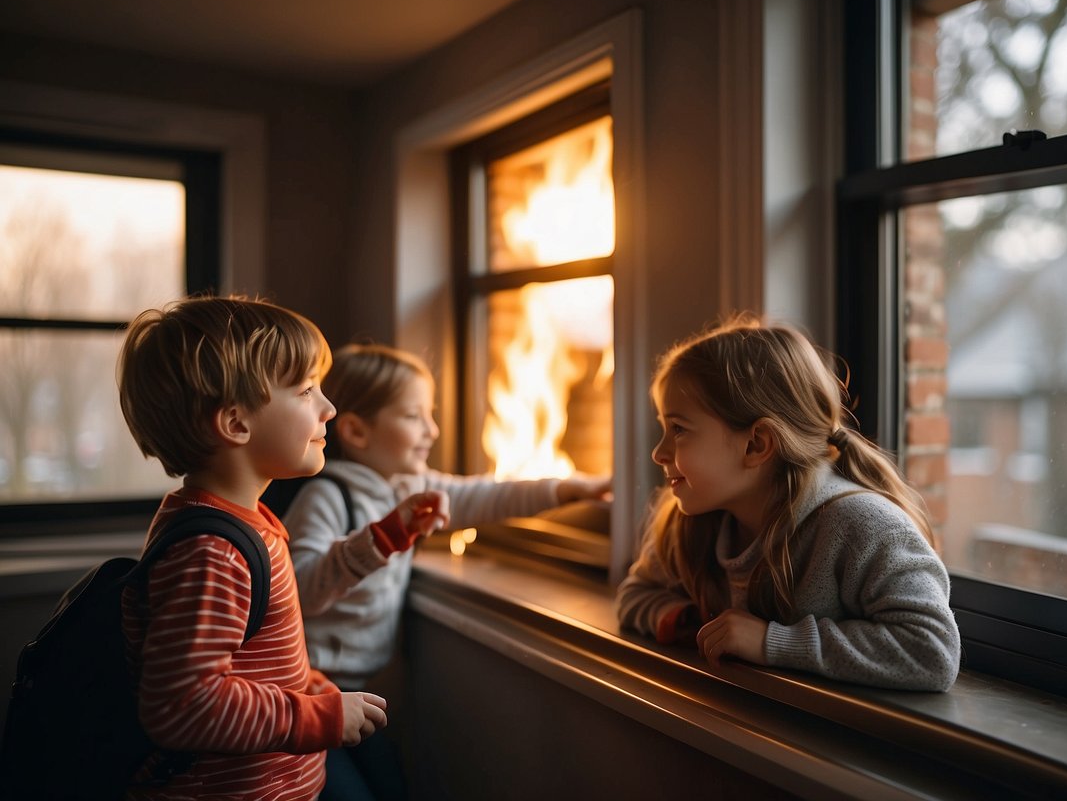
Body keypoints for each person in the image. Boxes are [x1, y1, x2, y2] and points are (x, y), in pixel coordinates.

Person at [282, 342, 611, 798]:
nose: (432, 430)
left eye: (430, 414)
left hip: (367, 691)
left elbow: (486, 496)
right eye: (414, 416)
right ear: (356, 431)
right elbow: (298, 594)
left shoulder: (414, 486)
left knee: (392, 787)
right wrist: (377, 541)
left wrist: (567, 489)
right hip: (308, 692)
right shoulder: (329, 497)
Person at [116, 295, 390, 800]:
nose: (329, 407)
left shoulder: (246, 523)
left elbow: (248, 661)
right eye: (307, 390)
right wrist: (313, 716)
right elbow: (183, 706)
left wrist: (309, 685)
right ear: (236, 424)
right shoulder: (211, 552)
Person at [616, 315, 961, 691]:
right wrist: (689, 621)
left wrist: (771, 643)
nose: (658, 453)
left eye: (679, 429)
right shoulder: (690, 523)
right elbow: (635, 592)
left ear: (756, 444)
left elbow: (932, 651)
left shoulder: (863, 527)